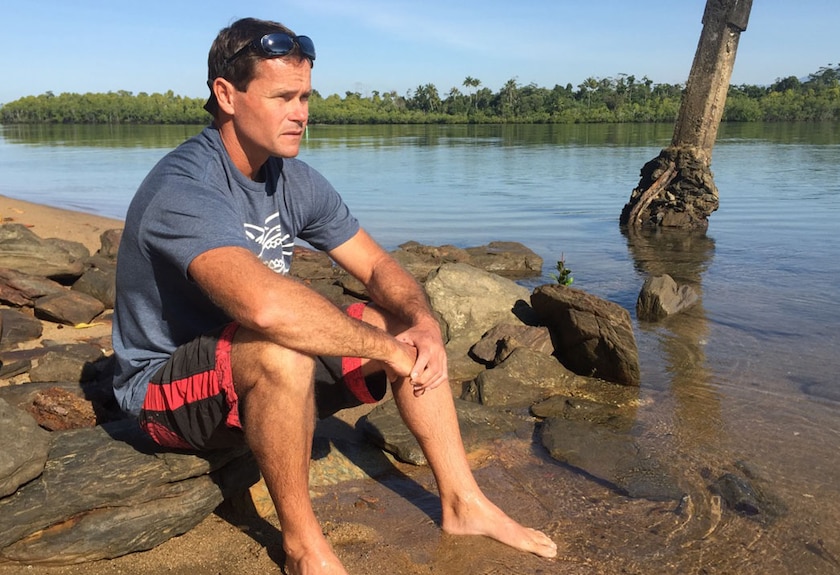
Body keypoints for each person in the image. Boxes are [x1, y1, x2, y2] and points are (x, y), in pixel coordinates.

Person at [112, 17, 557, 574]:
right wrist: (389, 353)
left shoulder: (291, 177)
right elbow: (265, 308)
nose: (300, 113)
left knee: (397, 323)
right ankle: (303, 547)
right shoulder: (186, 187)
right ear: (226, 95)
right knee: (281, 346)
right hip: (165, 392)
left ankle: (463, 503)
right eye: (282, 97)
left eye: (305, 96)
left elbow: (375, 263)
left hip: (238, 365)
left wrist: (420, 323)